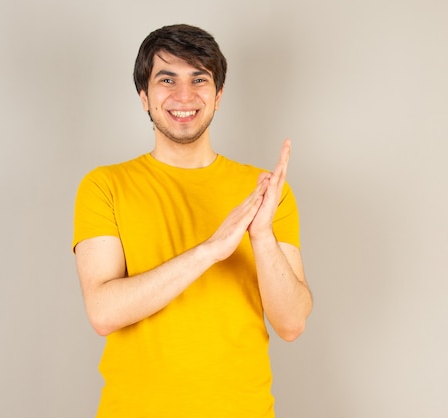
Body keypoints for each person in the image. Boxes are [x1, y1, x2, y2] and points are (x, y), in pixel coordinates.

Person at [72, 24, 312, 417]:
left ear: (218, 97)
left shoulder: (265, 191)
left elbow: (292, 323)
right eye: (167, 79)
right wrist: (210, 251)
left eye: (199, 80)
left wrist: (262, 235)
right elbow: (103, 312)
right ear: (144, 97)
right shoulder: (104, 186)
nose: (184, 95)